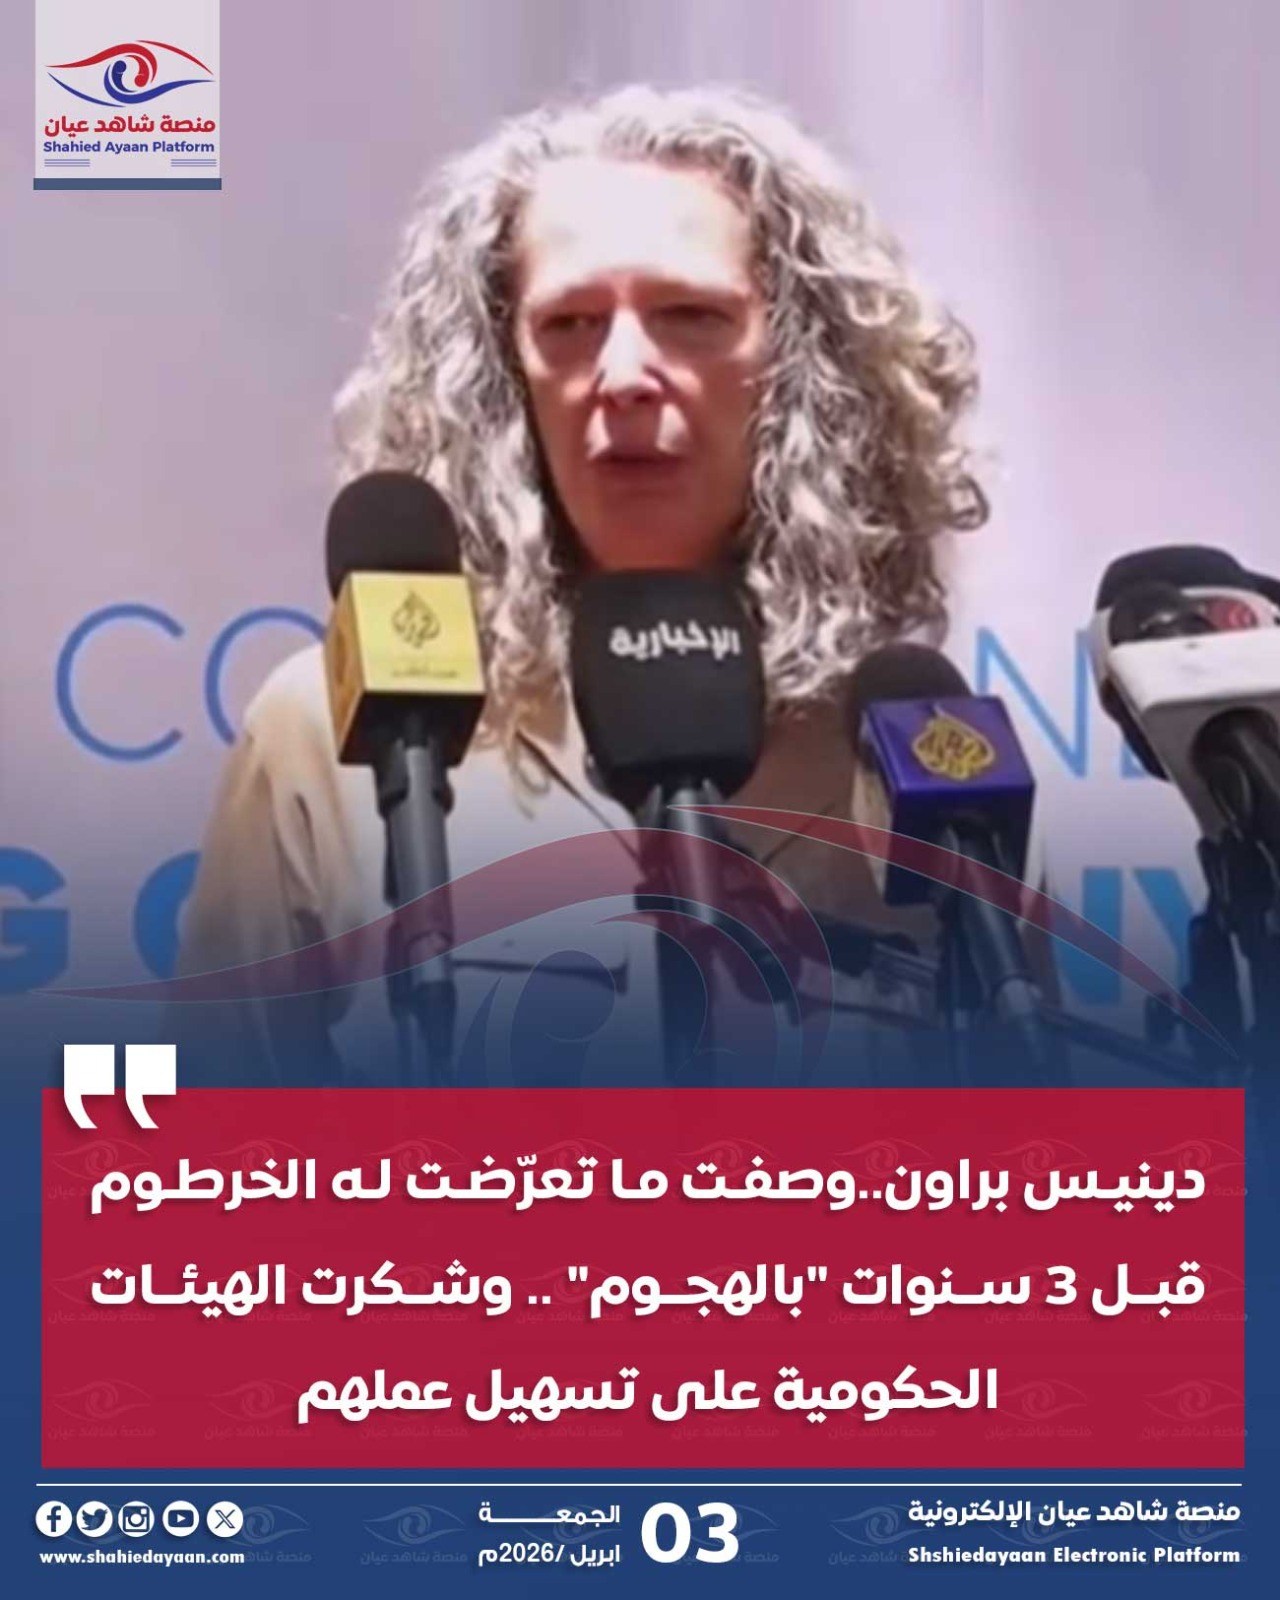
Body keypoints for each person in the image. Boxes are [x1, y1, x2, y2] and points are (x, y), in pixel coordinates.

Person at [176, 84, 990, 1083]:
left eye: (690, 316)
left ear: (800, 367)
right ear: (502, 374)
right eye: (569, 323)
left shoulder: (919, 764)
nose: (625, 374)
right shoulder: (335, 734)